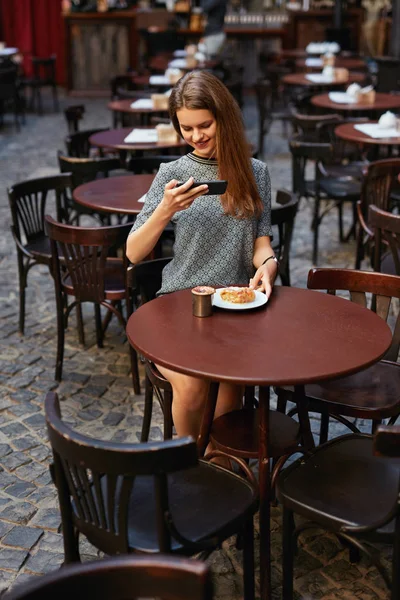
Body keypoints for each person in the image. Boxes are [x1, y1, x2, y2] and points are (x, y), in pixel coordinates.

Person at [126, 70, 277, 443]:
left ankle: (217, 467)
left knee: (230, 396)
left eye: (204, 125)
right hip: (180, 303)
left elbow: (261, 244)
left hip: (235, 305)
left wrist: (269, 266)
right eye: (186, 129)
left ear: (223, 117)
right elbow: (133, 251)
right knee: (192, 388)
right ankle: (189, 468)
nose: (196, 136)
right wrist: (164, 209)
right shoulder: (172, 173)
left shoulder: (256, 172)